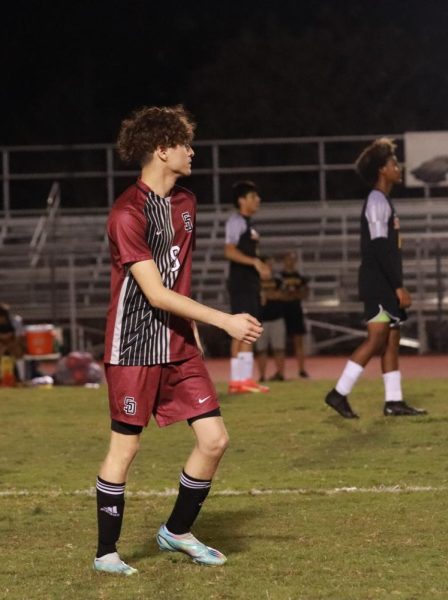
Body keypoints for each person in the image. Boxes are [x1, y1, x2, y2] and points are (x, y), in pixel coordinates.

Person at [94, 105, 262, 576]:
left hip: (177, 344)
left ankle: (177, 531)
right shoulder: (126, 213)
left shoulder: (186, 203)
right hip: (133, 348)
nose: (192, 151)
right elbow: (153, 291)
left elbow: (176, 280)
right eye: (184, 144)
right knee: (125, 449)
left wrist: (192, 334)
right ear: (162, 149)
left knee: (214, 439)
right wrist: (223, 321)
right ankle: (106, 553)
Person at [324, 138, 427, 418]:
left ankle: (393, 401)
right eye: (393, 163)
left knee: (392, 339)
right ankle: (339, 393)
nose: (398, 167)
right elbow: (380, 248)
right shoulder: (376, 200)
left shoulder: (383, 200)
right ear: (382, 170)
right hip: (378, 283)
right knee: (377, 338)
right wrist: (397, 286)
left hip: (383, 281)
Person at [224, 180, 271, 393]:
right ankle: (237, 381)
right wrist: (254, 262)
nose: (258, 200)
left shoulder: (249, 224)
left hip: (249, 284)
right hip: (241, 283)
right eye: (253, 197)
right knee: (241, 330)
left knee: (250, 329)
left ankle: (244, 379)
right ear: (242, 200)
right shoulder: (236, 222)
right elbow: (230, 251)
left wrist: (260, 283)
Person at [254, 256, 287, 382]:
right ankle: (262, 376)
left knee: (279, 348)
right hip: (260, 319)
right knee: (261, 349)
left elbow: (283, 295)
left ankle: (280, 374)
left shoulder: (278, 280)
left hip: (276, 318)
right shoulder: (255, 280)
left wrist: (268, 295)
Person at [280, 252, 310, 378]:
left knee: (298, 342)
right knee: (280, 344)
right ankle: (280, 372)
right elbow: (278, 294)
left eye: (292, 259)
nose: (290, 262)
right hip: (281, 311)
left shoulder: (300, 277)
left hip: (296, 310)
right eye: (288, 259)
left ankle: (301, 369)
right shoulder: (279, 277)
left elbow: (305, 293)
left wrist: (294, 295)